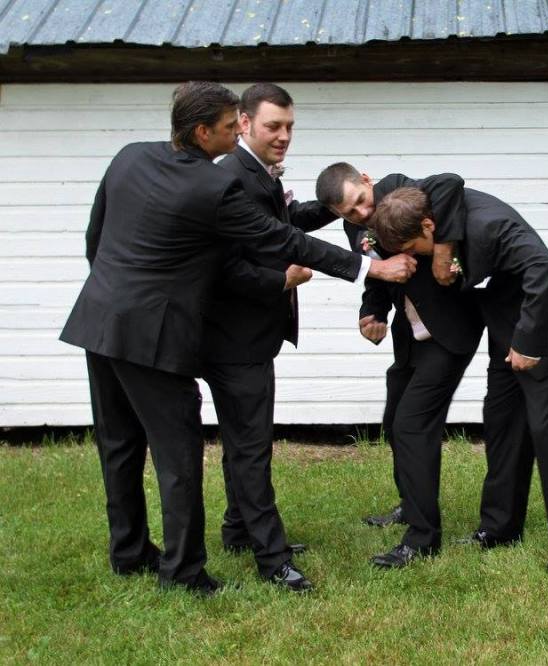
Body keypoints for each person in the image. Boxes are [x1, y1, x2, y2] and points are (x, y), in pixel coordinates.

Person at [59, 81, 416, 596]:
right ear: (204, 132)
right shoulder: (213, 185)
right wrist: (370, 268)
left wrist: (116, 294)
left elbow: (96, 238)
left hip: (98, 318)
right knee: (179, 457)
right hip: (154, 337)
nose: (238, 133)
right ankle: (184, 573)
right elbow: (280, 238)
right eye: (232, 127)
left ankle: (129, 552)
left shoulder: (130, 156)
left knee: (119, 445)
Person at [372, 186, 548, 573]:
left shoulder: (489, 226)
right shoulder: (434, 221)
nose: (413, 257)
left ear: (428, 226)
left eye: (412, 248)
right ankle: (499, 528)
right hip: (505, 323)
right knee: (501, 423)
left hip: (546, 325)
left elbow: (543, 267)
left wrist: (527, 343)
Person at [201, 83, 334, 591]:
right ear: (244, 123)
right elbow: (225, 270)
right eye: (273, 126)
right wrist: (282, 280)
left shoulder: (256, 173)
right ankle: (272, 559)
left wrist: (337, 204)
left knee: (244, 441)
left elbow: (286, 221)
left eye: (289, 127)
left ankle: (238, 530)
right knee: (252, 447)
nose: (284, 136)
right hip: (233, 338)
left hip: (249, 337)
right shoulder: (233, 178)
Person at [316, 163, 472, 531]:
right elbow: (375, 273)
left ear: (366, 180)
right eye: (349, 212)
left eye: (361, 200)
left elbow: (450, 183)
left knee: (411, 425)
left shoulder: (399, 189)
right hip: (408, 332)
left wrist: (443, 253)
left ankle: (422, 526)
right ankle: (410, 503)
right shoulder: (354, 227)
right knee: (395, 422)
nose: (362, 213)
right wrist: (372, 313)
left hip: (444, 327)